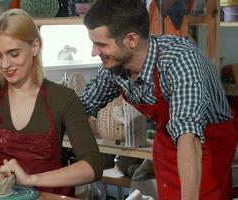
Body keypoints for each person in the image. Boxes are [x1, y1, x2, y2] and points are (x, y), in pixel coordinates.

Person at [0, 9, 104, 197]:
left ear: (35, 47)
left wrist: (32, 180)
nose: (5, 64)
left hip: (48, 196)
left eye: (13, 54)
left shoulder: (64, 99)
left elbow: (93, 165)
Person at [79, 0, 237, 199]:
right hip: (166, 145)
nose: (94, 52)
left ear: (131, 40)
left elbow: (189, 136)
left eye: (101, 44)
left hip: (205, 147)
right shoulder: (115, 67)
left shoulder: (180, 60)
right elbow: (80, 106)